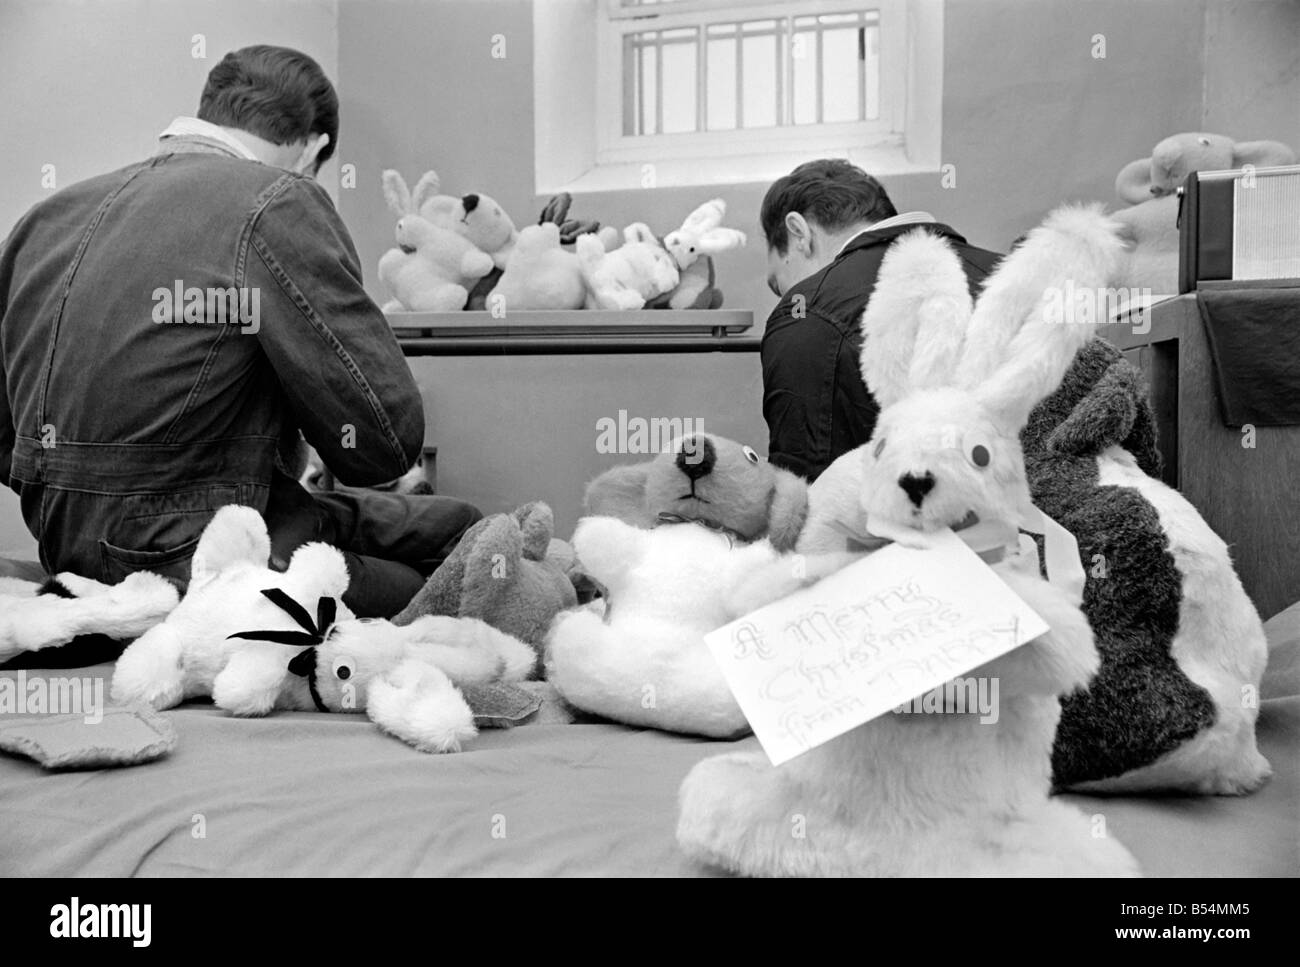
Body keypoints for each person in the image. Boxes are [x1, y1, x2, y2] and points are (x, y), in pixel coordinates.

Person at [0, 45, 480, 647]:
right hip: (204, 551)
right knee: (447, 568)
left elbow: (3, 435)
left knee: (455, 524)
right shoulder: (280, 200)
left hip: (65, 540)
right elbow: (382, 448)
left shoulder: (46, 216)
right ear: (312, 148)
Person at [759, 159, 1002, 481]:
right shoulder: (1015, 275)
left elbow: (808, 498)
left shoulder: (807, 315)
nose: (789, 296)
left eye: (780, 283)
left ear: (799, 232)